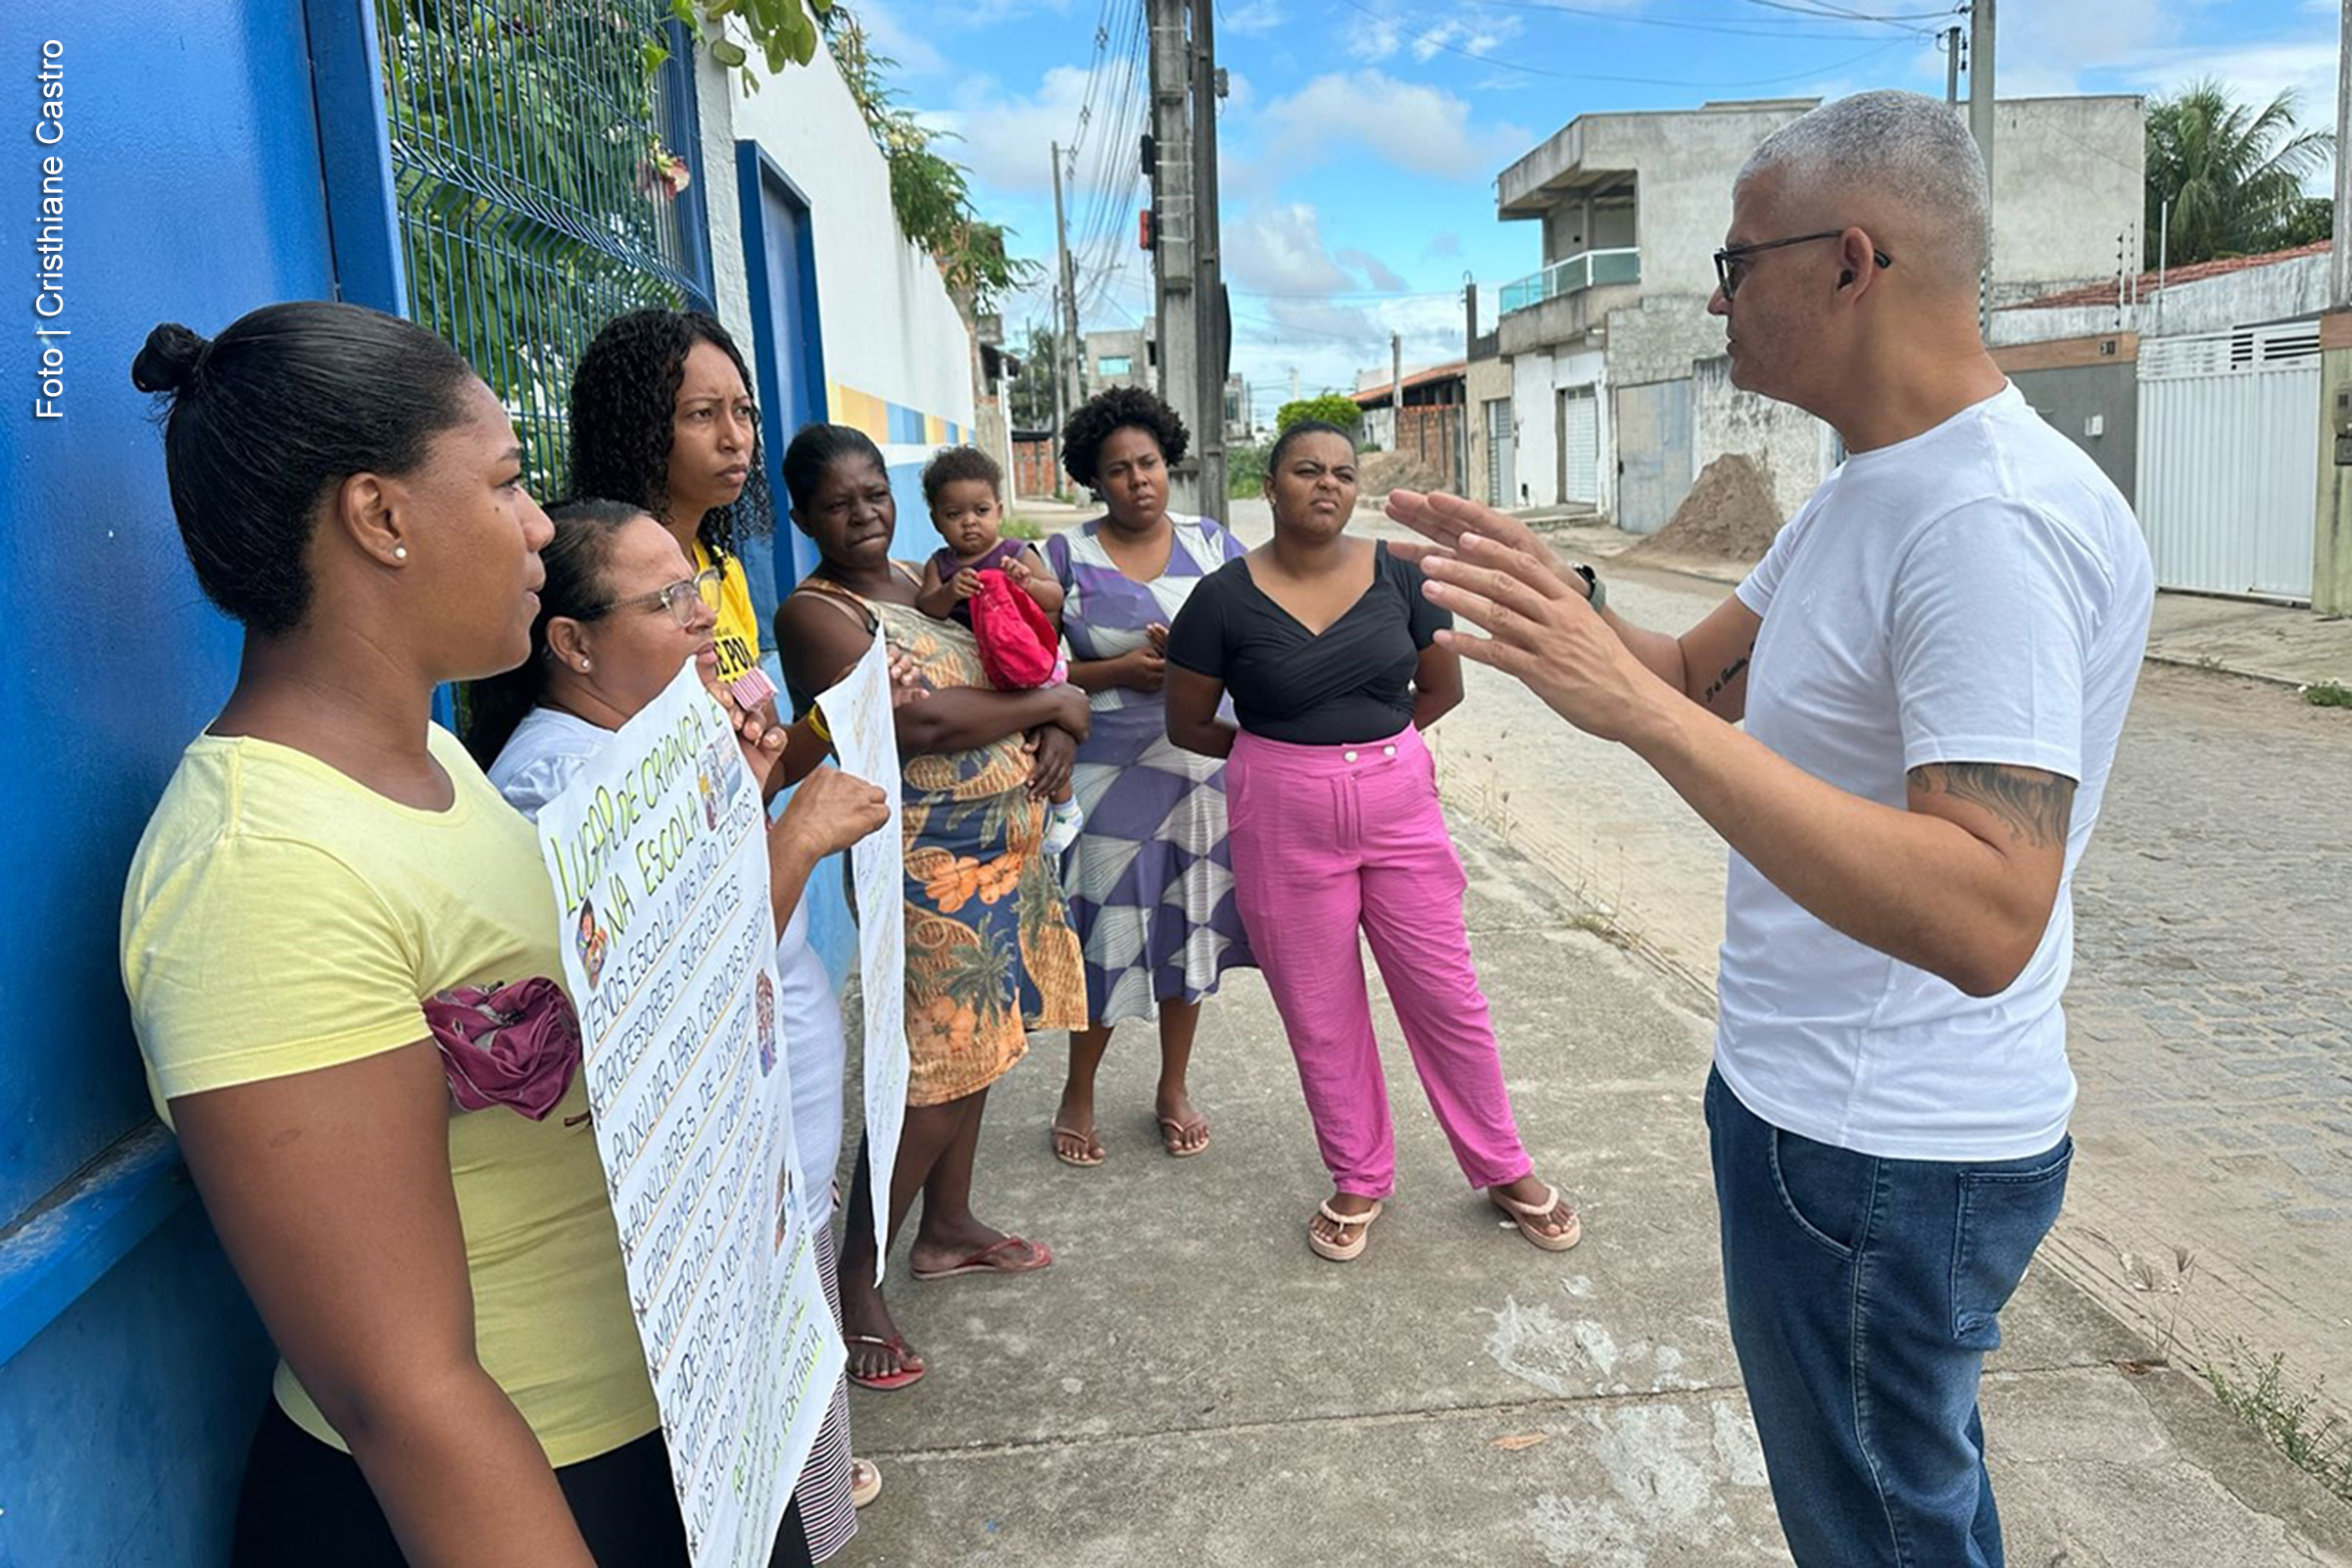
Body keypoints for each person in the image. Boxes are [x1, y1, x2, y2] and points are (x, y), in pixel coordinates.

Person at [1392, 91, 2155, 1567]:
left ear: (1852, 261)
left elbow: (1990, 912)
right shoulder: (1867, 488)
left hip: (1889, 1155)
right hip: (1819, 1118)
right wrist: (1576, 610)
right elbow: (1693, 683)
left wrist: (1648, 718)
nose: (1719, 296)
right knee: (1899, 1500)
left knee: (1880, 1534)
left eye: (1739, 261)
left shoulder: (1984, 525)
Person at [117, 302, 808, 1565]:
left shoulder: (435, 759)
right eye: (505, 482)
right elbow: (407, 1391)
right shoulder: (262, 871)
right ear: (380, 518)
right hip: (511, 1495)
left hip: (671, 1426)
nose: (542, 523)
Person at [465, 499, 894, 1556]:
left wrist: (745, 791)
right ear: (570, 642)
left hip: (760, 1147)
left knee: (792, 1383)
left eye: (697, 587)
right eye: (668, 600)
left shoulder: (643, 745)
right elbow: (671, 994)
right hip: (698, 1193)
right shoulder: (560, 782)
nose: (705, 618)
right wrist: (791, 837)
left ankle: (821, 1511)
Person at [1161, 420, 1581, 1262]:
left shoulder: (1402, 575)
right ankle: (1358, 1173)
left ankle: (1502, 1164)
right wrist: (1288, 764)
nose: (1327, 485)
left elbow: (1440, 688)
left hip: (1397, 807)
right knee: (1320, 1008)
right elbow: (1190, 722)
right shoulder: (1222, 599)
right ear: (1271, 486)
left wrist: (1373, 757)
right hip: (1281, 814)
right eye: (1307, 470)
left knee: (1446, 993)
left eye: (1344, 473)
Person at [773, 423, 1090, 1393]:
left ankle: (947, 1228)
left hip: (1005, 852)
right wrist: (1055, 711)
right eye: (838, 503)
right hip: (923, 867)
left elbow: (1016, 657)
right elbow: (916, 724)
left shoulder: (924, 580)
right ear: (802, 518)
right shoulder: (814, 614)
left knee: (984, 1044)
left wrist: (1058, 710)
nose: (863, 513)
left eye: (874, 493)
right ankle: (855, 1278)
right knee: (932, 1074)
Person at [1042, 386, 1254, 1166]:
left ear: (1170, 464)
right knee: (1103, 928)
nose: (1139, 481)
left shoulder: (1213, 546)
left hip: (1200, 772)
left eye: (1150, 464)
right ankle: (1079, 1090)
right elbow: (1031, 668)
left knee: (1187, 925)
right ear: (1094, 481)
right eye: (1119, 470)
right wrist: (1119, 668)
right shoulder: (1062, 557)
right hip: (1105, 773)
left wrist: (1207, 659)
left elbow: (1254, 643)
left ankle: (1172, 1087)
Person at [913, 445, 1083, 856]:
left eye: (981, 510)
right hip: (981, 669)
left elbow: (1054, 596)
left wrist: (1027, 582)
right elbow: (926, 606)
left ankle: (1066, 807)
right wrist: (950, 591)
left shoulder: (1015, 553)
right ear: (936, 520)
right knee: (1015, 737)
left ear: (999, 510)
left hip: (1022, 660)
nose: (969, 523)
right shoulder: (941, 564)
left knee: (1044, 730)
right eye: (954, 515)